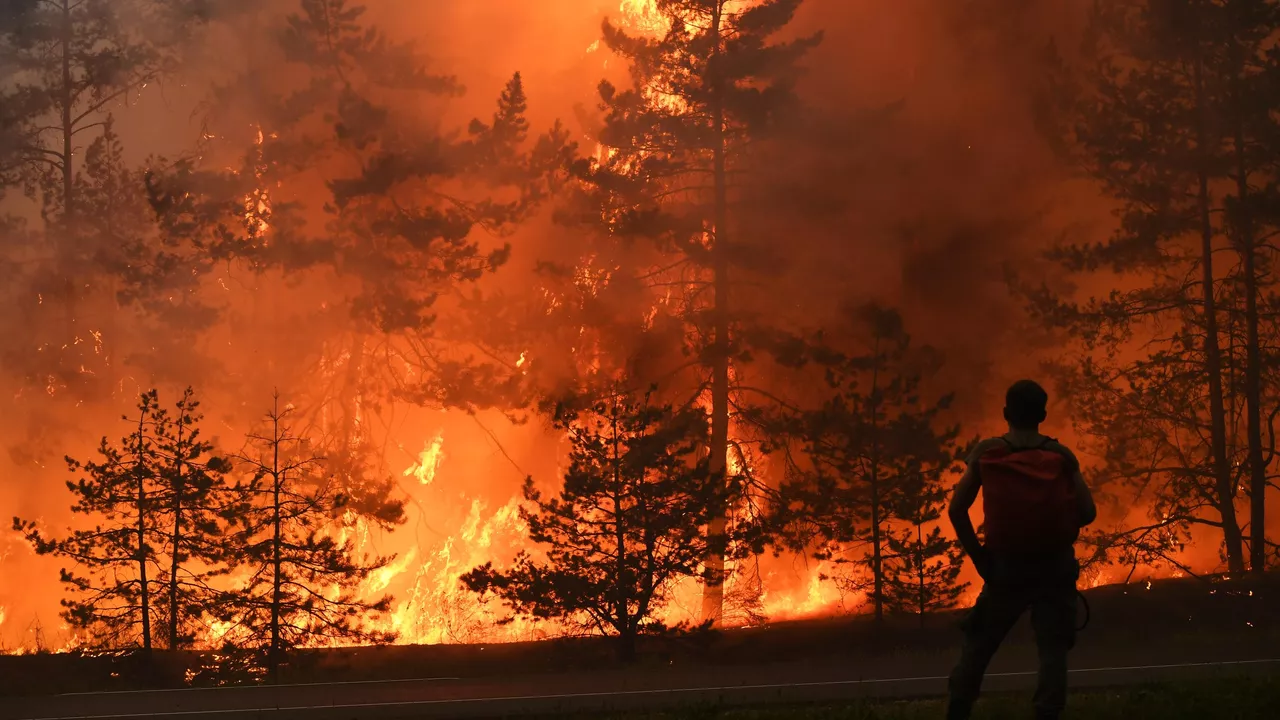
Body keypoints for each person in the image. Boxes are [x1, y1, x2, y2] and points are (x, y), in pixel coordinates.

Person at [945, 379, 1097, 720]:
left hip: (1005, 569)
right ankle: (1047, 712)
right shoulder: (1060, 456)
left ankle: (958, 709)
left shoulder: (987, 452)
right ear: (1042, 414)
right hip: (1054, 569)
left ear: (1005, 413)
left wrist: (981, 560)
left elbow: (957, 510)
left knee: (979, 644)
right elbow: (1088, 512)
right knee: (1053, 651)